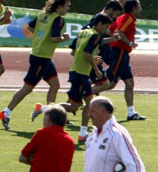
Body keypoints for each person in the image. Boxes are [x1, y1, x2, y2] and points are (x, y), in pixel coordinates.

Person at [35, 14, 116, 143]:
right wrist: (96, 68)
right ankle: (45, 109)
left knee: (85, 103)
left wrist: (107, 43)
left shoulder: (84, 32)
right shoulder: (95, 35)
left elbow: (75, 52)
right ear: (99, 24)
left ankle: (83, 133)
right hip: (81, 73)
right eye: (106, 26)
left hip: (77, 71)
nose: (106, 30)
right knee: (76, 106)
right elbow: (87, 53)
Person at [0, 0, 70, 129]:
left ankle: (51, 117)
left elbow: (29, 27)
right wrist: (64, 39)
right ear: (59, 6)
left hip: (42, 56)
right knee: (27, 88)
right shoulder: (58, 20)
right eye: (67, 6)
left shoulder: (43, 15)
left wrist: (39, 37)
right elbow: (55, 38)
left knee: (55, 85)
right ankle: (6, 112)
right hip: (41, 58)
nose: (68, 9)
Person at [69, 0, 124, 96]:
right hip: (88, 60)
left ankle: (86, 100)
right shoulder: (97, 22)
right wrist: (74, 48)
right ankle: (82, 98)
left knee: (103, 83)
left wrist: (111, 39)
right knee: (103, 84)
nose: (116, 17)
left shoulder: (99, 22)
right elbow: (87, 38)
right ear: (111, 10)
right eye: (116, 14)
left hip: (93, 58)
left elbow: (97, 40)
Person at [104, 0, 146, 121]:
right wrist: (130, 43)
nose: (140, 9)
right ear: (133, 8)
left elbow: (109, 31)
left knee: (129, 83)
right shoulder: (128, 18)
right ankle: (86, 93)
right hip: (120, 53)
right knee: (110, 83)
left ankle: (131, 113)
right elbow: (118, 32)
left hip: (122, 54)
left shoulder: (121, 17)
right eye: (139, 6)